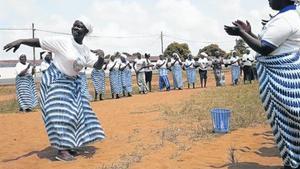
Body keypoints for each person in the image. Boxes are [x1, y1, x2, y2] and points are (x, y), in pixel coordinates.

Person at [4, 19, 105, 161]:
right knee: (58, 113)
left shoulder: (85, 50)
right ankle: (62, 151)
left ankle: (68, 145)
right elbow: (39, 42)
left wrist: (101, 57)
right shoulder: (63, 41)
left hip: (72, 85)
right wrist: (21, 40)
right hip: (55, 81)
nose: (75, 27)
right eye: (74, 25)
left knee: (74, 115)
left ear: (86, 32)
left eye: (79, 26)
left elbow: (98, 66)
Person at [225, 0, 300, 168]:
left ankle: (294, 162)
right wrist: (249, 32)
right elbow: (269, 42)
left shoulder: (286, 19)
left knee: (289, 122)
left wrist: (241, 34)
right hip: (282, 78)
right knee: (288, 122)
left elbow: (265, 48)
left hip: (284, 81)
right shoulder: (284, 17)